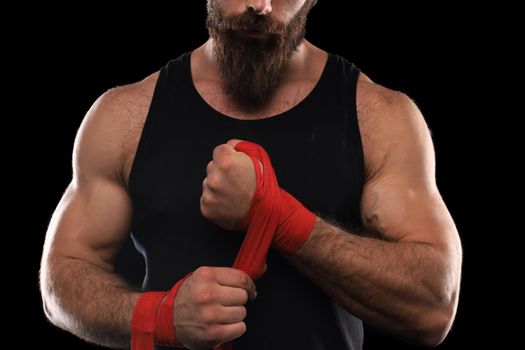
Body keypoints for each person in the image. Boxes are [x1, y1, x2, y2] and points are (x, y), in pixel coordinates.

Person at [39, 0, 463, 349]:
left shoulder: (380, 118)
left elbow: (434, 306)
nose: (259, 7)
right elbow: (61, 280)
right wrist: (160, 317)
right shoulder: (124, 116)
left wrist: (277, 215)